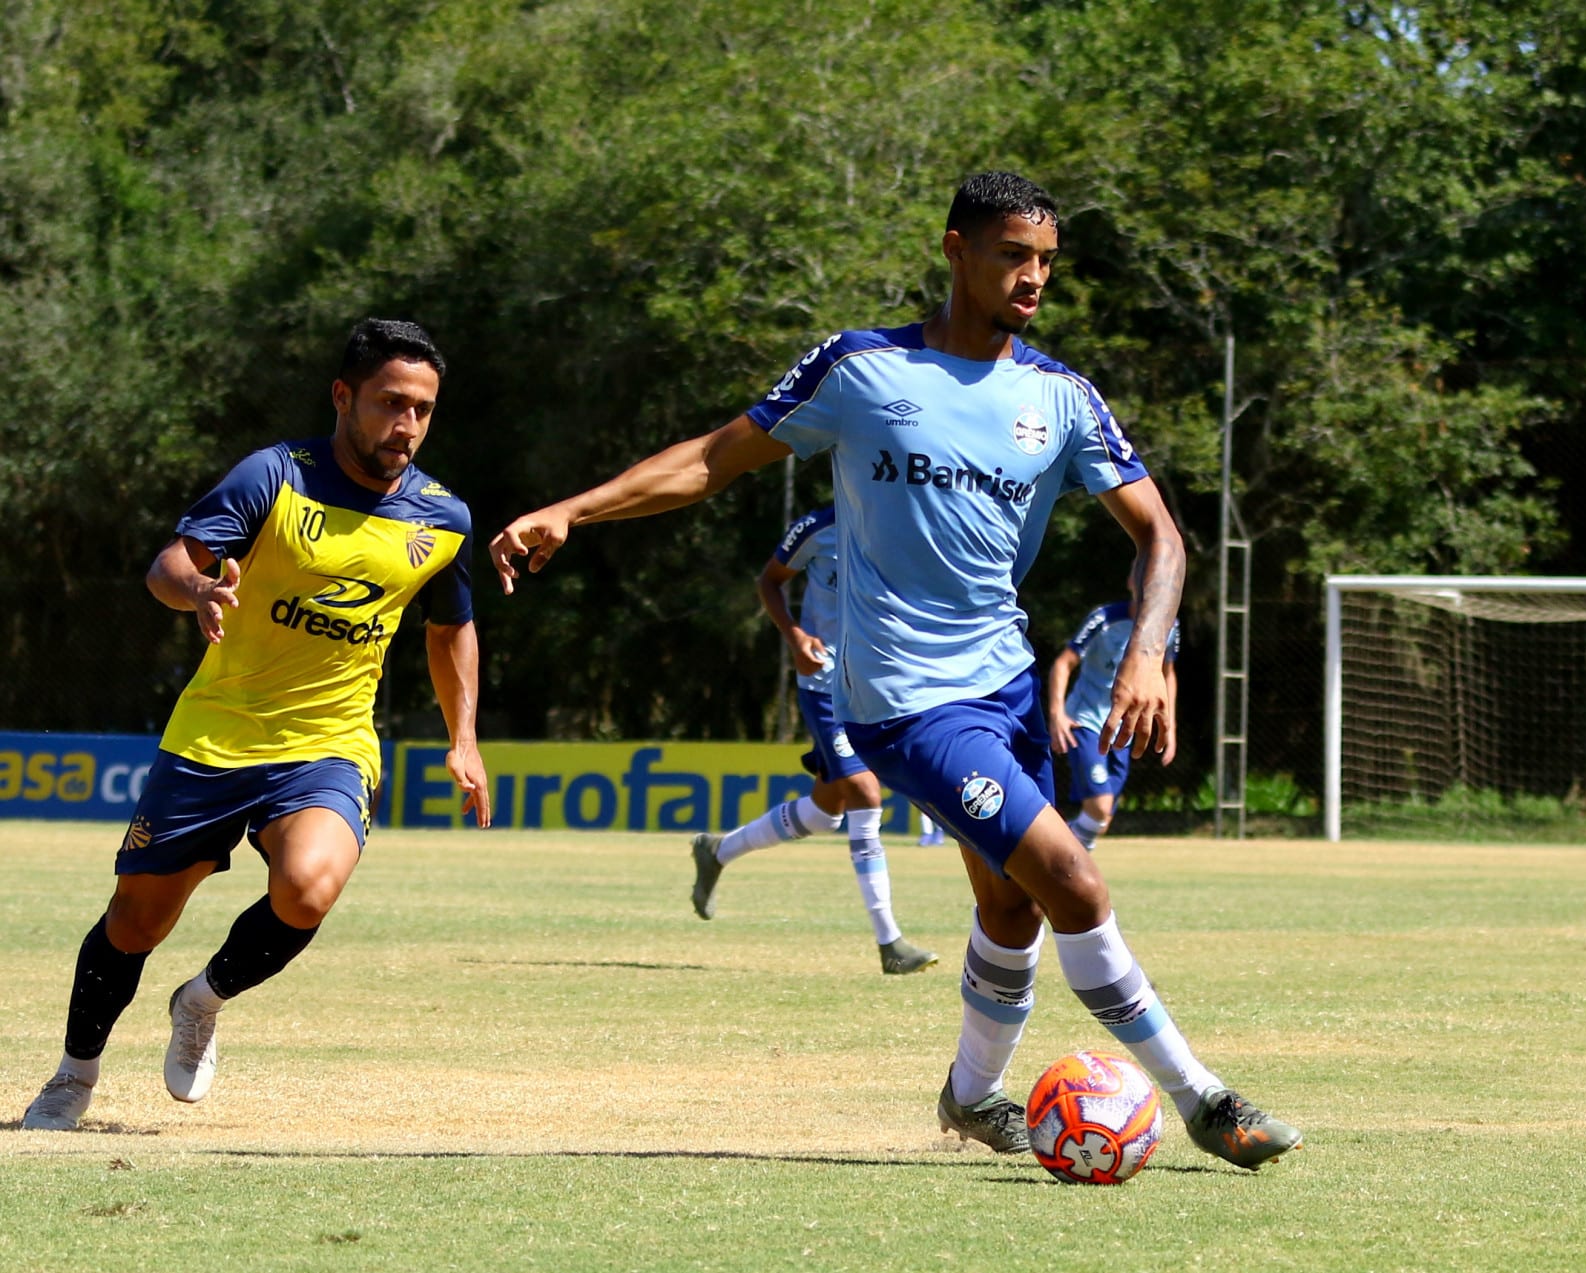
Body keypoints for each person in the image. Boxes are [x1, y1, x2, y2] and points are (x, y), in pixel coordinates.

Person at [488, 171, 1300, 1171]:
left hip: (1001, 686)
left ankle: (967, 1097)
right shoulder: (861, 369)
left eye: (1045, 260)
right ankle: (1203, 1099)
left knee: (1005, 906)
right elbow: (711, 457)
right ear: (955, 250)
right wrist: (575, 509)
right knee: (1070, 884)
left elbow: (1161, 540)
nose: (1032, 277)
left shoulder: (1060, 397)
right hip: (904, 703)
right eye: (1011, 254)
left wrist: (1146, 653)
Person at [20, 318, 491, 1132]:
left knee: (308, 888)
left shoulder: (444, 518)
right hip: (215, 735)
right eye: (389, 403)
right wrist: (199, 591)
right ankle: (75, 1072)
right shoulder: (275, 476)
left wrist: (464, 739)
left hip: (329, 744)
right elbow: (171, 564)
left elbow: (450, 628)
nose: (405, 425)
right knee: (136, 919)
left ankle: (201, 1000)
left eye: (421, 409)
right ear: (344, 397)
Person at [690, 504, 939, 975]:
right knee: (866, 792)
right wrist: (796, 635)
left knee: (825, 814)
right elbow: (769, 580)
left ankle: (716, 851)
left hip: (879, 689)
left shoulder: (907, 523)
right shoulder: (817, 528)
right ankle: (891, 943)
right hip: (825, 688)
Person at [1047, 598, 1180, 850]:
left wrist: (1169, 725)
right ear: (1133, 581)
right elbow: (1063, 664)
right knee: (1100, 805)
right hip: (1085, 722)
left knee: (1101, 820)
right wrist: (1057, 714)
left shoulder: (1168, 625)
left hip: (1123, 730)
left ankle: (1050, 858)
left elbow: (1167, 673)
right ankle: (1051, 862)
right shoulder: (1105, 619)